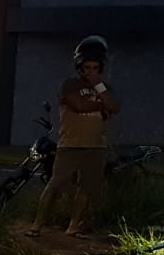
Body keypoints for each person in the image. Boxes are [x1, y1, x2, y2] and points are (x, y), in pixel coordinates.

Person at [27, 36, 121, 239]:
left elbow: (115, 107)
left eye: (95, 68)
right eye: (87, 67)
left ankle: (74, 225)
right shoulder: (69, 84)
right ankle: (37, 224)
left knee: (86, 187)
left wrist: (100, 89)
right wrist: (101, 104)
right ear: (79, 67)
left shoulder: (105, 88)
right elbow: (78, 105)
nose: (91, 72)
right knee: (57, 182)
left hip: (96, 144)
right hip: (70, 143)